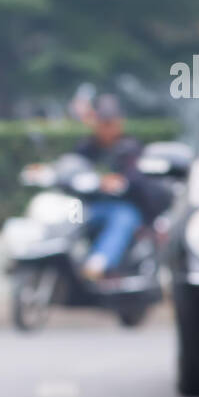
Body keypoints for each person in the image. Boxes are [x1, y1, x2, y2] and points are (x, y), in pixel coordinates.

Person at [75, 94, 166, 279]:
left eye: (110, 122)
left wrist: (119, 180)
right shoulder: (86, 147)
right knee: (67, 216)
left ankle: (99, 262)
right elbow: (73, 167)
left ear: (119, 123)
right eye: (103, 122)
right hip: (90, 207)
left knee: (122, 218)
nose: (106, 128)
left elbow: (137, 176)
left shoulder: (130, 147)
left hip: (124, 207)